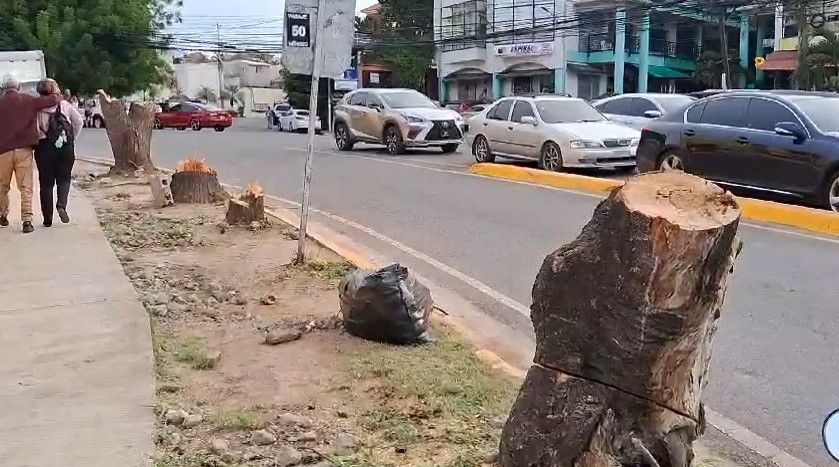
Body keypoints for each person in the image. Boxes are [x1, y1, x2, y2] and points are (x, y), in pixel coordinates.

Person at [0, 76, 62, 233]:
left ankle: (2, 214)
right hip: (24, 150)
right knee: (26, 186)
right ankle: (27, 220)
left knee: (2, 186)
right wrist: (53, 88)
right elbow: (54, 100)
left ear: (4, 89)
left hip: (3, 152)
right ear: (18, 86)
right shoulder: (28, 100)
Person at [35, 78, 83, 227]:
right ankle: (61, 205)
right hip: (65, 147)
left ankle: (47, 218)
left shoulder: (36, 107)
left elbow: (35, 129)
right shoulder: (64, 105)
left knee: (46, 184)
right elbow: (79, 122)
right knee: (64, 178)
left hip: (44, 147)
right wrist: (71, 138)